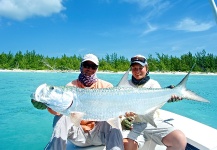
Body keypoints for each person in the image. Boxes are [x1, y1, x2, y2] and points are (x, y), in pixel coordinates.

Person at [31, 54, 124, 150]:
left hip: (100, 135)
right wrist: (47, 105)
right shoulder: (70, 87)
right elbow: (59, 111)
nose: (89, 69)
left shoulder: (107, 86)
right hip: (78, 136)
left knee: (114, 117)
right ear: (81, 66)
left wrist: (125, 114)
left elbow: (117, 109)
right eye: (86, 65)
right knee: (61, 117)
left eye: (93, 66)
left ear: (97, 69)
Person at [121, 54, 187, 150]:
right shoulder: (124, 86)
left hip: (153, 122)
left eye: (140, 68)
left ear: (147, 68)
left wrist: (169, 97)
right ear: (131, 69)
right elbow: (118, 107)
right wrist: (123, 119)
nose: (137, 71)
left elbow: (156, 103)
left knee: (179, 139)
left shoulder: (154, 84)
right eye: (134, 68)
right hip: (133, 125)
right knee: (126, 144)